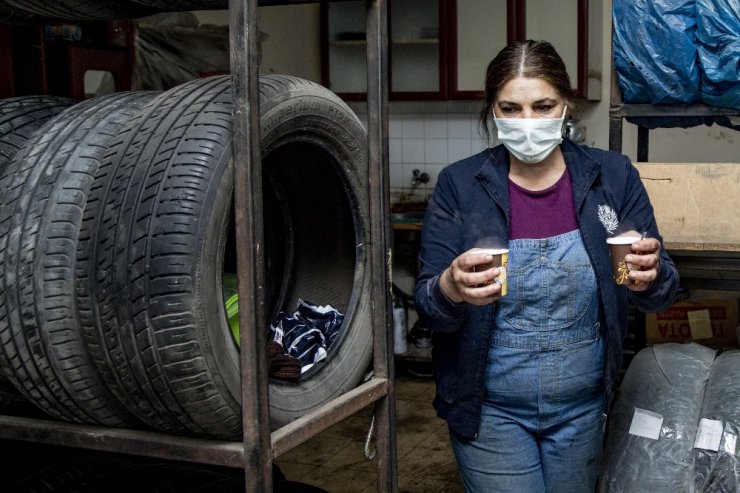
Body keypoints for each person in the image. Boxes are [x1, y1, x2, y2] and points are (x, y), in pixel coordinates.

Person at [414, 40, 679, 493]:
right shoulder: (461, 185)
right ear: (492, 110)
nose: (528, 123)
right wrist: (450, 287)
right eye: (510, 109)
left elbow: (663, 291)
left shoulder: (612, 176)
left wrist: (649, 275)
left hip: (583, 409)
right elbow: (429, 307)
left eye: (543, 106)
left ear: (566, 106)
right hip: (489, 409)